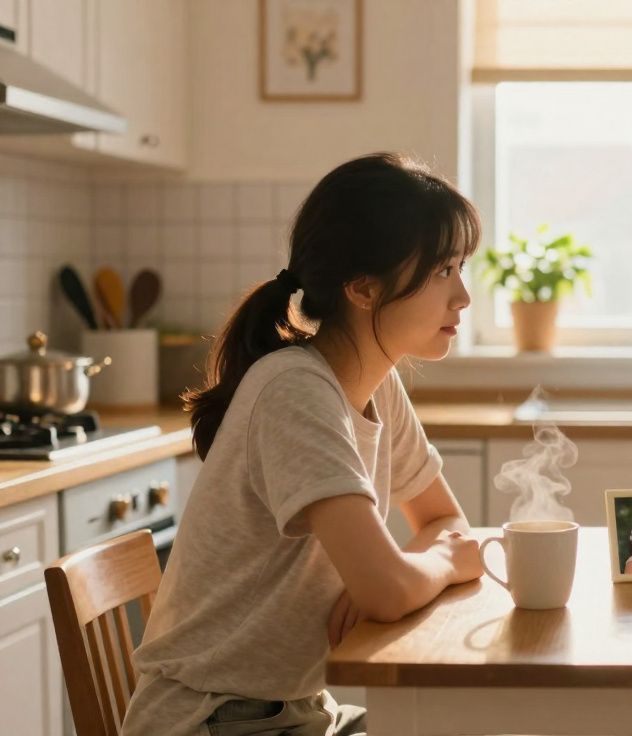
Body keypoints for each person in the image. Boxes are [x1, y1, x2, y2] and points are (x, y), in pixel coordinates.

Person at [121, 153, 485, 736]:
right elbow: (412, 571)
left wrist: (398, 571)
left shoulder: (376, 382)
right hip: (213, 720)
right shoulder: (296, 390)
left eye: (460, 266)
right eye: (443, 270)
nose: (463, 295)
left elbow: (442, 518)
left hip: (298, 712)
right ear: (364, 288)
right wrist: (433, 565)